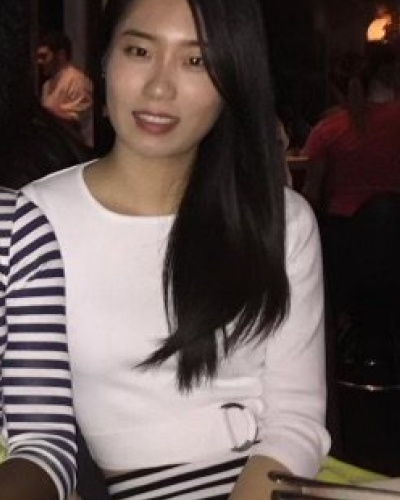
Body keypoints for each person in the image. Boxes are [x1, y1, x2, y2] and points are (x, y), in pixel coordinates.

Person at [24, 0, 330, 499]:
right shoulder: (35, 220)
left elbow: (296, 419)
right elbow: (27, 434)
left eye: (195, 60)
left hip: (269, 483)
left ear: (232, 77)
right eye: (140, 51)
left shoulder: (280, 220)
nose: (159, 87)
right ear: (105, 60)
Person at [37, 32, 94, 147]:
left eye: (44, 56)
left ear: (61, 55)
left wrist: (41, 113)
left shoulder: (77, 80)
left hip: (74, 149)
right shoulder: (47, 85)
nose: (39, 62)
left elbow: (74, 122)